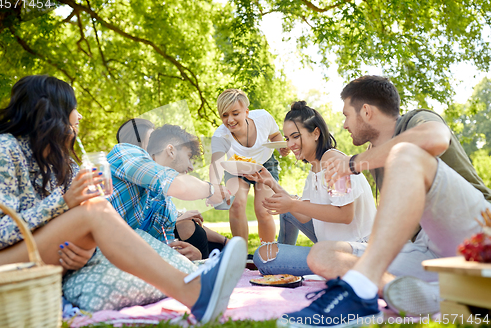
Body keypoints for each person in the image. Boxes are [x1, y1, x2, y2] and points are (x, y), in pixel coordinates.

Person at [0, 75, 247, 324]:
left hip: (40, 260)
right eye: (73, 108)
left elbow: (76, 226)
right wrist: (64, 201)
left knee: (96, 209)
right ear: (52, 111)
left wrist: (84, 251)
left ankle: (197, 280)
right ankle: (194, 293)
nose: (79, 116)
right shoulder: (2, 148)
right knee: (95, 209)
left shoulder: (65, 163)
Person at [278, 75, 491, 327]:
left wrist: (353, 163)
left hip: (478, 228)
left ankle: (362, 289)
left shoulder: (415, 121)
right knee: (322, 254)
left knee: (406, 153)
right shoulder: (374, 156)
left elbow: (435, 138)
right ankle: (427, 295)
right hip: (425, 248)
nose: (344, 124)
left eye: (347, 115)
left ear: (366, 111)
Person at [245, 101, 376, 276]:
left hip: (356, 250)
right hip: (332, 246)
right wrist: (271, 183)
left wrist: (292, 205)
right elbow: (304, 214)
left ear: (315, 133)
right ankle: (285, 257)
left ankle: (285, 261)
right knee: (286, 214)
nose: (290, 144)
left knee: (263, 258)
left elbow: (345, 214)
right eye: (287, 138)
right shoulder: (315, 167)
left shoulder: (332, 161)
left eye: (295, 136)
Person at [113, 120, 229, 259]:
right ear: (170, 150)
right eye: (189, 156)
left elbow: (165, 245)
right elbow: (179, 185)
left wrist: (196, 257)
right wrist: (211, 190)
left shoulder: (161, 198)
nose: (191, 167)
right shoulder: (126, 153)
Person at [209, 89, 290, 243]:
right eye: (224, 115)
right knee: (237, 205)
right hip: (236, 168)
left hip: (264, 165)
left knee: (263, 209)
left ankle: (267, 255)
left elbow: (275, 135)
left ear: (246, 112)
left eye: (235, 113)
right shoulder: (220, 135)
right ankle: (241, 255)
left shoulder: (263, 118)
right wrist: (214, 187)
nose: (230, 120)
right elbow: (216, 163)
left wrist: (281, 147)